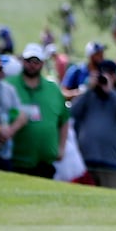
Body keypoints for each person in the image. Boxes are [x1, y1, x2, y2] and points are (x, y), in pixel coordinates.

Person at [70, 59, 116, 190]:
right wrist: (88, 89)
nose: (106, 78)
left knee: (114, 205)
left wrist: (110, 92)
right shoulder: (89, 96)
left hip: (114, 165)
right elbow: (73, 111)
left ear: (115, 77)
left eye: (110, 74)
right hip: (87, 164)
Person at [10, 44, 69, 179]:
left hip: (45, 164)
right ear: (23, 62)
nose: (32, 65)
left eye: (36, 62)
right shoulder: (10, 84)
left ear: (42, 64)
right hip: (15, 162)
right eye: (29, 61)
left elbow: (64, 120)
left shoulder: (53, 89)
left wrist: (61, 148)